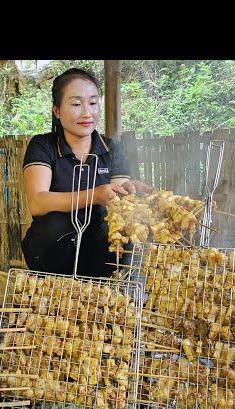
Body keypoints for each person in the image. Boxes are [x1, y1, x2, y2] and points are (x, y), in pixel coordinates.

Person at [21, 67, 153, 277]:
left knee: (115, 232)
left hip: (101, 253)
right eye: (76, 104)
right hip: (52, 250)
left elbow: (121, 202)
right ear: (56, 110)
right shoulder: (43, 146)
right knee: (52, 226)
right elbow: (38, 202)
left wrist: (130, 190)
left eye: (92, 103)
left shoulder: (111, 149)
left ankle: (107, 291)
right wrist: (95, 195)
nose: (87, 113)